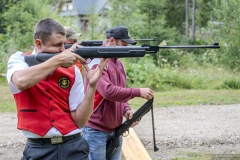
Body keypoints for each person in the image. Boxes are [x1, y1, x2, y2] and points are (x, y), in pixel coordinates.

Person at [6, 18, 107, 160]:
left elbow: (80, 121)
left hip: (74, 146)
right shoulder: (19, 60)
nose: (63, 50)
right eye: (58, 45)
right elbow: (21, 81)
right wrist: (58, 60)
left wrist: (92, 86)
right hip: (38, 148)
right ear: (39, 44)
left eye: (64, 44)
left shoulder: (73, 70)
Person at [82, 26, 154, 160]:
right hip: (96, 131)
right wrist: (138, 92)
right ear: (111, 41)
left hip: (115, 129)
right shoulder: (97, 62)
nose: (126, 48)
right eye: (124, 44)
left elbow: (120, 93)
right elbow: (108, 92)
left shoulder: (119, 64)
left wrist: (126, 110)